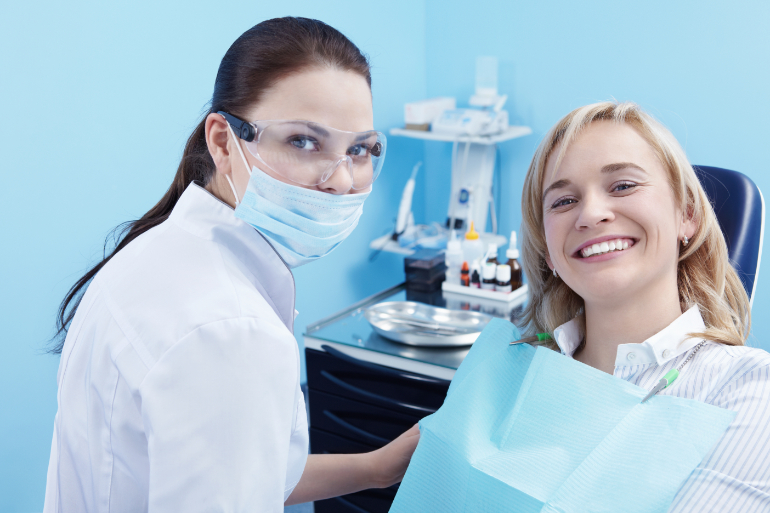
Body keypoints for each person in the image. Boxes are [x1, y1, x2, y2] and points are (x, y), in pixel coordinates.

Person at [44, 17, 419, 512]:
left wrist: (378, 467)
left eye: (360, 150)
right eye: (303, 141)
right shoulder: (230, 330)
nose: (342, 180)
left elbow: (242, 466)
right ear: (223, 142)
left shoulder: (157, 251)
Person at [518, 101, 770, 511]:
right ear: (548, 250)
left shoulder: (747, 390)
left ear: (686, 215)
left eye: (623, 186)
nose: (591, 214)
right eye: (563, 202)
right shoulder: (515, 369)